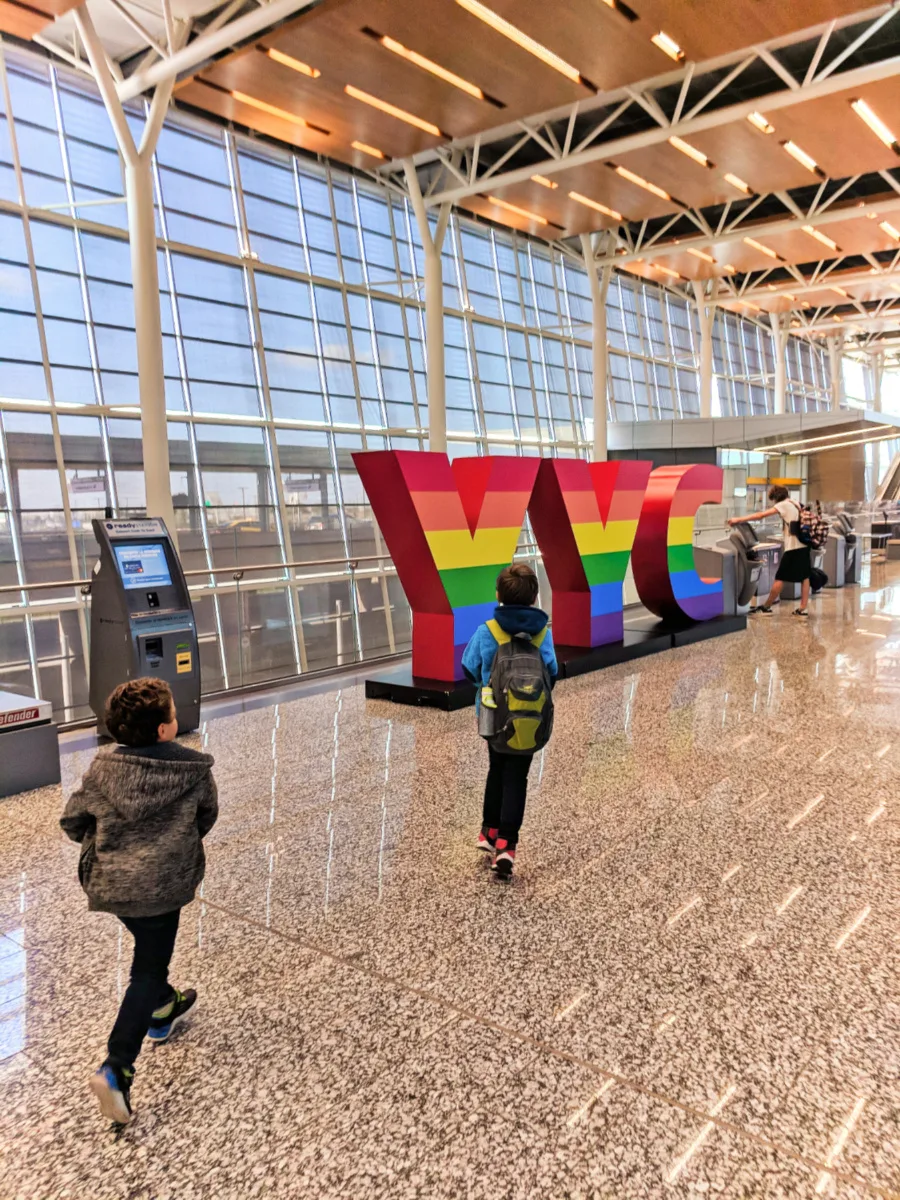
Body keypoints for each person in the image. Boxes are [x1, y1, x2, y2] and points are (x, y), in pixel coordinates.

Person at [60, 677, 217, 1125]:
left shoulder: (100, 770)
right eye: (171, 715)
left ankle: (165, 1007)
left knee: (148, 951)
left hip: (111, 884)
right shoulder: (193, 772)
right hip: (164, 886)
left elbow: (72, 822)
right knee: (147, 969)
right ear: (165, 730)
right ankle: (117, 1066)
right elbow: (206, 818)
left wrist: (108, 843)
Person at [461, 563, 558, 878]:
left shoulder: (487, 630)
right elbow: (552, 673)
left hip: (492, 717)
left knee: (496, 769)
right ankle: (506, 847)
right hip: (528, 720)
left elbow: (469, 667)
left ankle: (488, 832)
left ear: (498, 595)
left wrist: (488, 688)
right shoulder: (543, 633)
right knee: (517, 778)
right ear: (534, 597)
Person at [728, 485, 811, 617]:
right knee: (805, 577)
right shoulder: (794, 503)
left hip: (793, 548)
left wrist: (739, 519)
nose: (773, 503)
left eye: (773, 500)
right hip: (804, 545)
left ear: (776, 498)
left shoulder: (783, 505)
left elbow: (761, 515)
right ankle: (803, 608)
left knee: (780, 577)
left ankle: (766, 606)